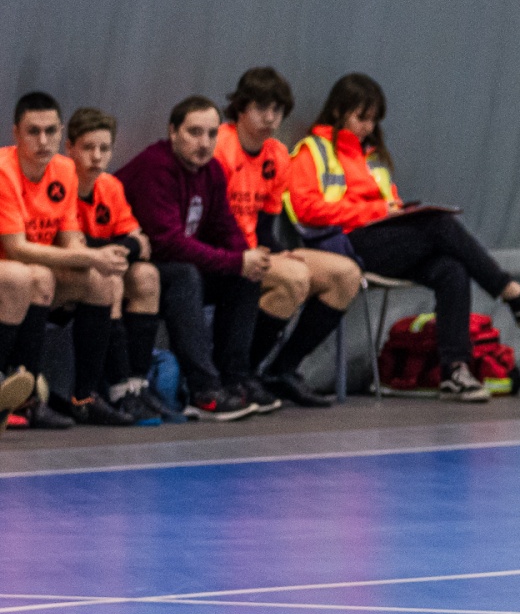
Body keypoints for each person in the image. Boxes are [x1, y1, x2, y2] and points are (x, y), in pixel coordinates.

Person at [285, 73, 520, 402]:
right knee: (439, 225)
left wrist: (397, 211)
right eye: (361, 118)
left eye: (373, 120)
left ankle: (455, 371)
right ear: (338, 111)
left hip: (380, 243)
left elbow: (387, 203)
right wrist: (376, 211)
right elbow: (305, 208)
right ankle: (515, 295)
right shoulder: (313, 150)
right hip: (342, 246)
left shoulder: (371, 157)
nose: (367, 126)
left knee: (451, 269)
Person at [216, 68, 361, 408]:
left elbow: (265, 226)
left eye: (277, 110)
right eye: (261, 108)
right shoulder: (221, 146)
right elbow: (213, 221)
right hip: (223, 251)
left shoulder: (277, 155)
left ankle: (281, 370)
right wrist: (261, 254)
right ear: (241, 108)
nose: (270, 118)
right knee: (293, 278)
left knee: (345, 274)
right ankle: (238, 373)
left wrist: (278, 251)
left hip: (257, 247)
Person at [116, 96, 265, 421]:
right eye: (194, 132)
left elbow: (224, 227)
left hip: (175, 267)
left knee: (243, 278)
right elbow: (166, 244)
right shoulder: (156, 167)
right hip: (132, 266)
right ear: (173, 132)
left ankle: (234, 381)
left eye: (211, 134)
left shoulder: (211, 171)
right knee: (185, 275)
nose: (204, 142)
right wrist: (235, 261)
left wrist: (247, 258)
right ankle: (203, 390)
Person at [0, 93, 133, 426]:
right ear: (16, 133)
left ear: (61, 133)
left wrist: (97, 258)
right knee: (29, 276)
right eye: (33, 131)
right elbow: (16, 248)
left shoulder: (64, 170)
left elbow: (70, 236)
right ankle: (23, 399)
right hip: (12, 273)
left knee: (101, 282)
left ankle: (84, 398)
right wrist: (88, 254)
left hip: (34, 275)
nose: (43, 140)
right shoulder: (4, 171)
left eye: (50, 131)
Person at [66, 107, 181, 424]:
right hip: (70, 274)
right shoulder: (61, 184)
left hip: (103, 266)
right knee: (112, 279)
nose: (97, 157)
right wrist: (118, 248)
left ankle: (136, 385)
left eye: (104, 148)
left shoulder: (110, 186)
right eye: (88, 147)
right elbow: (70, 245)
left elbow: (140, 243)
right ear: (70, 147)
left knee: (146, 275)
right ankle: (118, 391)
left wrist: (111, 248)